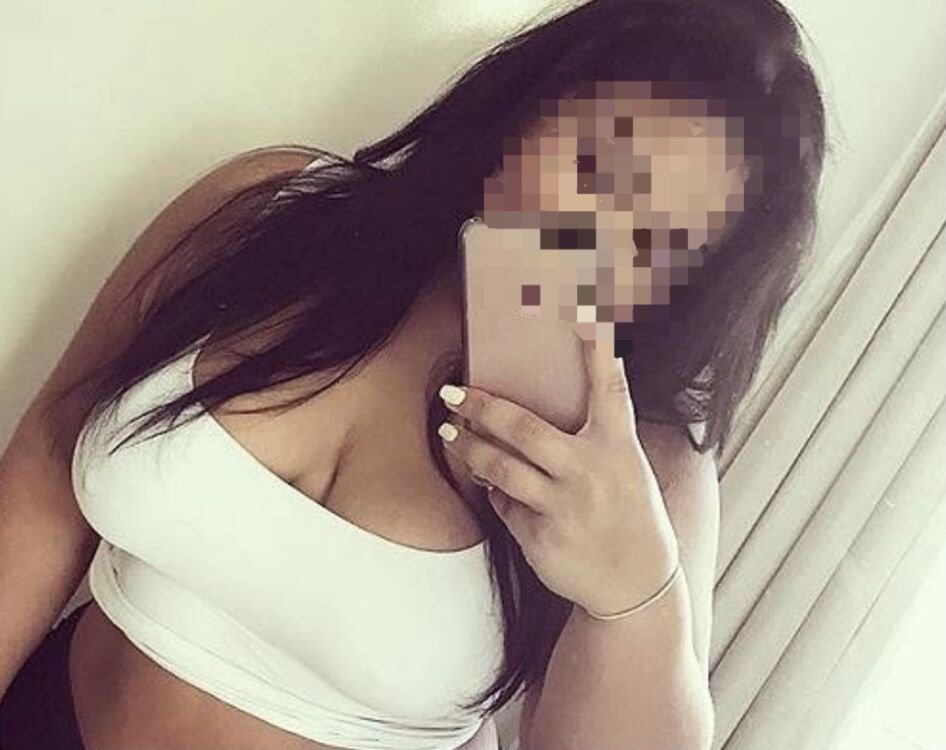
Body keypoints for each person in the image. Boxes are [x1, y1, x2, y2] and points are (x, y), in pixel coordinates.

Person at [0, 0, 827, 748]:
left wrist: (632, 598)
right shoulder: (268, 212)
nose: (594, 236)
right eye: (592, 166)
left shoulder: (648, 472)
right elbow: (49, 457)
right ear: (528, 113)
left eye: (658, 239)